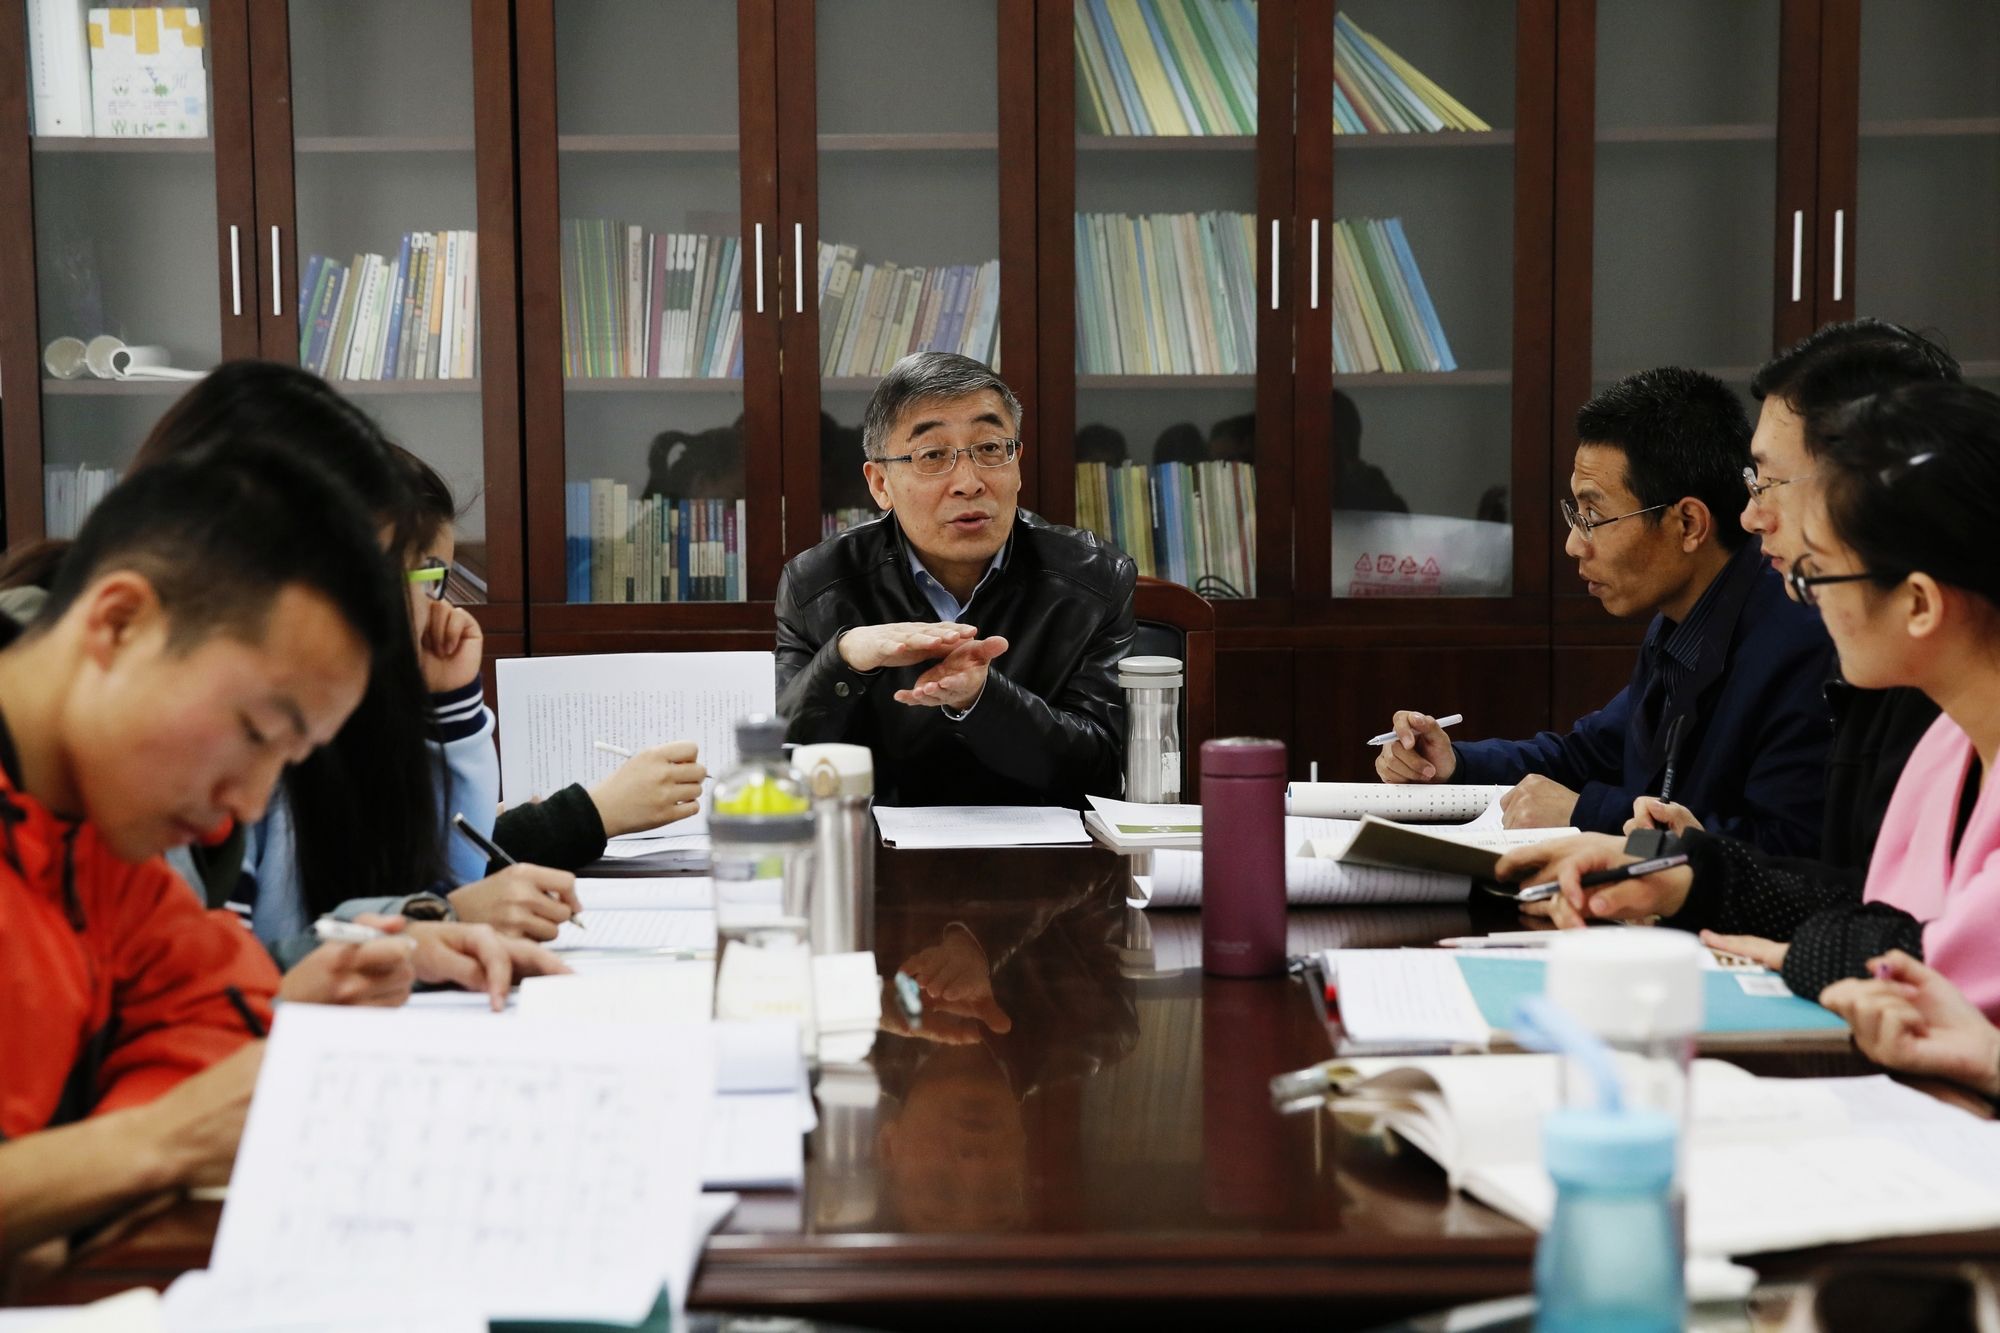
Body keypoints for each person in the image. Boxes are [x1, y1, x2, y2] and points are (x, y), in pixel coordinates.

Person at [0, 442, 538, 1260]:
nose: (248, 805)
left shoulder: (103, 838)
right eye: (253, 732)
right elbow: (173, 1123)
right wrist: (150, 1145)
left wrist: (75, 1186)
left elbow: (200, 1028)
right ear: (118, 623)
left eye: (287, 755)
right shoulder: (107, 808)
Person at [1505, 383, 2000, 1015]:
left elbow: (1926, 964)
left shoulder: (1809, 657)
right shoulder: (1946, 744)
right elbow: (1878, 914)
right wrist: (1682, 873)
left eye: (1817, 573)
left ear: (1920, 603)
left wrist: (1699, 881)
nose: (1802, 596)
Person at [1375, 367, 1835, 849]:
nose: (1574, 544)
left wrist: (1585, 814)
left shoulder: (1799, 643)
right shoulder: (1682, 621)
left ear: (1688, 524)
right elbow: (1589, 755)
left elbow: (1783, 855)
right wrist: (1454, 763)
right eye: (1575, 515)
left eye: (1593, 516)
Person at [776, 352, 1135, 807]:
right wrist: (843, 660)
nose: (969, 482)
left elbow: (1101, 772)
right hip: (873, 847)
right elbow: (778, 763)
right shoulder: (816, 585)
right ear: (880, 483)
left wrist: (984, 698)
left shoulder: (1095, 579)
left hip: (1049, 848)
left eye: (990, 449)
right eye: (933, 455)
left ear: (1017, 464)